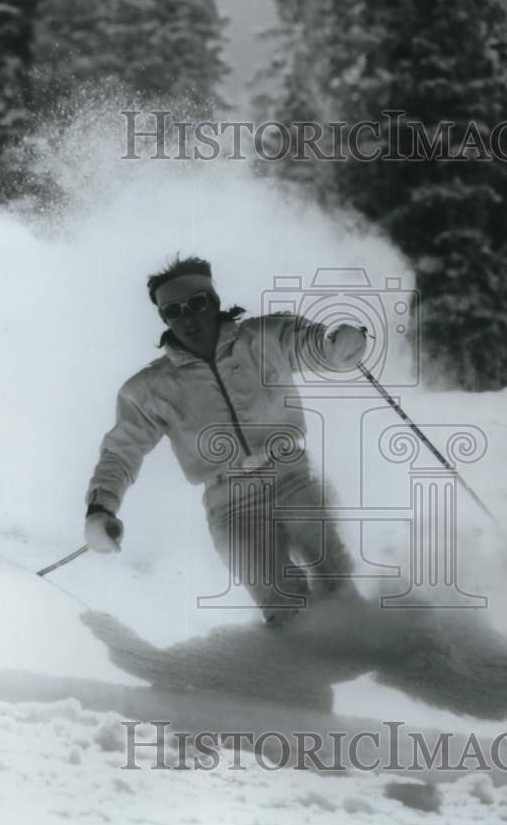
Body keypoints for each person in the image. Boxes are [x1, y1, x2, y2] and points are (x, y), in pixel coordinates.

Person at [84, 255, 368, 624]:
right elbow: (121, 452)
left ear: (215, 302)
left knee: (335, 574)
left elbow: (316, 346)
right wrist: (100, 509)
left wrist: (341, 345)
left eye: (197, 304)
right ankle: (300, 670)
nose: (187, 317)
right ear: (164, 320)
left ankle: (375, 653)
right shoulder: (152, 387)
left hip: (293, 477)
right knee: (282, 601)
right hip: (231, 503)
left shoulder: (265, 337)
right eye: (173, 311)